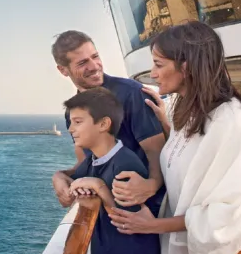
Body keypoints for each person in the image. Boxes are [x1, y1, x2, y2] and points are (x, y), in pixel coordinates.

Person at [107, 21, 241, 254]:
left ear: (186, 67)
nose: (153, 73)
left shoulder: (230, 119)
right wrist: (166, 124)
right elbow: (191, 160)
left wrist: (152, 225)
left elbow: (226, 216)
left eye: (159, 64)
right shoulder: (187, 112)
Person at [50, 30, 166, 209]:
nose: (94, 66)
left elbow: (156, 150)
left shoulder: (132, 93)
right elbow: (86, 161)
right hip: (107, 209)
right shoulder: (73, 113)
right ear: (63, 70)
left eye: (95, 56)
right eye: (82, 63)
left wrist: (152, 185)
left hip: (145, 209)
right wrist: (61, 176)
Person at [64, 88, 165, 254]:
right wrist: (59, 177)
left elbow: (128, 222)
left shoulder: (125, 165)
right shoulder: (94, 160)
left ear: (103, 124)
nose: (70, 129)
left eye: (77, 122)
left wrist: (99, 187)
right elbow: (72, 183)